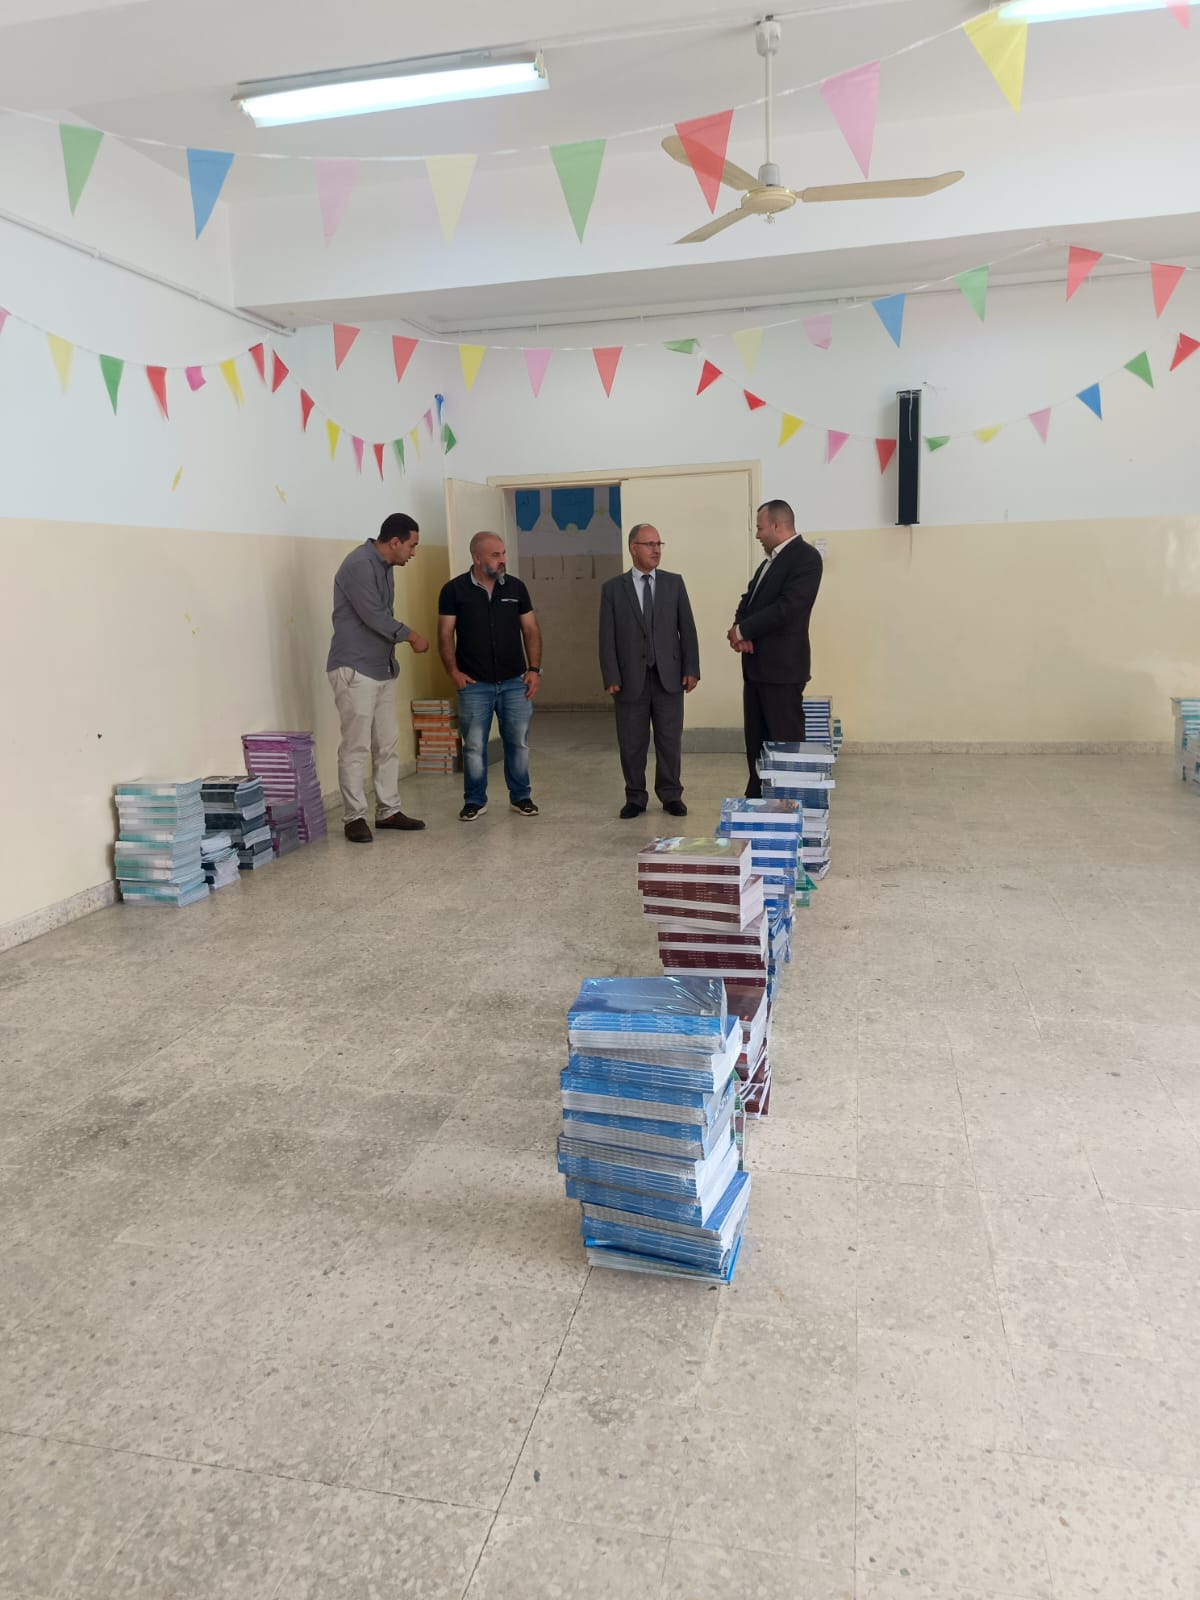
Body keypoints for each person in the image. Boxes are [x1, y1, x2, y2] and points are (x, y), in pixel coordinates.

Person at [326, 513, 430, 844]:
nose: (413, 553)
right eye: (412, 546)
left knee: (387, 743)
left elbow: (381, 615)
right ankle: (354, 817)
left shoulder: (385, 567)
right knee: (356, 746)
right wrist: (411, 635)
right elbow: (373, 615)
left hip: (382, 667)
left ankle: (388, 811)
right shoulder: (359, 564)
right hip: (355, 668)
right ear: (395, 542)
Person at [438, 531, 543, 821]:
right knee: (473, 746)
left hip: (515, 682)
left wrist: (534, 670)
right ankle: (474, 800)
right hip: (474, 684)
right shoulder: (454, 590)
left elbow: (531, 630)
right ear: (477, 557)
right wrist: (454, 673)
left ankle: (521, 797)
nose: (502, 559)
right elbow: (445, 634)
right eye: (496, 555)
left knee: (518, 743)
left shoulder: (516, 588)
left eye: (503, 553)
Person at [598, 523, 700, 819]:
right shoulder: (613, 589)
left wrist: (691, 668)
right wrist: (611, 675)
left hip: (669, 677)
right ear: (633, 548)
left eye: (659, 544)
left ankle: (671, 795)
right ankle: (635, 797)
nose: (656, 550)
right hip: (630, 679)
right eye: (650, 544)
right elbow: (606, 637)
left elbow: (687, 629)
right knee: (632, 743)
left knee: (669, 741)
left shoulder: (673, 583)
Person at [728, 499, 823, 799]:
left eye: (760, 528)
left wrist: (744, 630)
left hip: (782, 671)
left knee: (785, 744)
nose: (757, 535)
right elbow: (748, 600)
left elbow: (788, 608)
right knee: (756, 743)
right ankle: (757, 799)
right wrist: (739, 627)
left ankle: (788, 804)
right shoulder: (768, 563)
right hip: (756, 669)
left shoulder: (806, 558)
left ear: (777, 526)